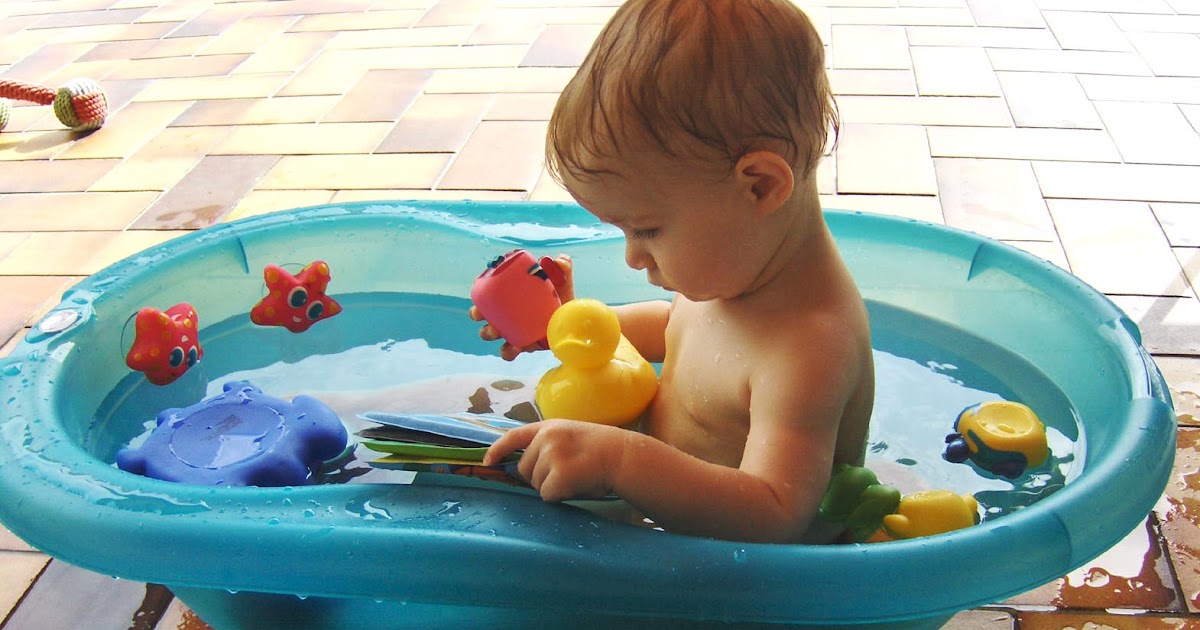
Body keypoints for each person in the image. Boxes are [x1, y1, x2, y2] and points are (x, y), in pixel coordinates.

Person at [474, 0, 874, 544]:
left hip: (752, 589)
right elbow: (675, 331)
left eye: (648, 229)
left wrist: (620, 461)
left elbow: (776, 515)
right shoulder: (737, 268)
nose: (632, 257)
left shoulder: (809, 347)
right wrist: (569, 330)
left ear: (759, 186)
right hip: (668, 529)